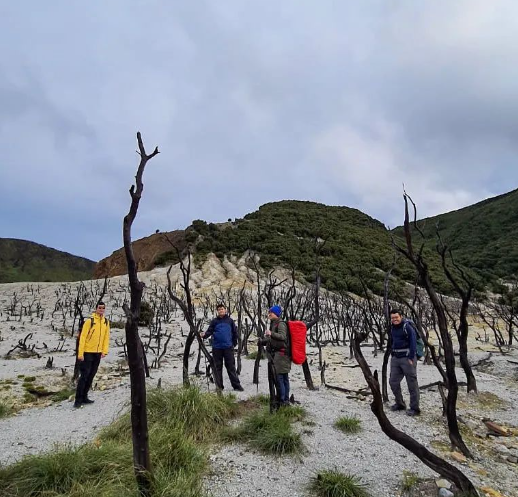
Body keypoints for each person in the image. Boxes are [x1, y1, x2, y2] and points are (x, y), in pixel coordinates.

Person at [74, 301, 110, 408]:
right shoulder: (90, 321)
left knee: (91, 375)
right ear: (96, 308)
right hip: (87, 352)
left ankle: (85, 397)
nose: (101, 310)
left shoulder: (106, 322)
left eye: (103, 308)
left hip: (97, 353)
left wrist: (104, 351)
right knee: (84, 375)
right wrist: (80, 353)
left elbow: (106, 337)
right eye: (99, 308)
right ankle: (78, 400)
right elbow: (83, 337)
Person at [201, 303, 244, 391]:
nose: (221, 310)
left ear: (225, 310)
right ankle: (219, 386)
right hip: (217, 348)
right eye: (219, 309)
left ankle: (236, 386)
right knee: (217, 368)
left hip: (228, 347)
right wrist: (204, 335)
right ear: (217, 311)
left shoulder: (230, 321)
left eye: (222, 309)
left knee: (231, 367)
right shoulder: (214, 321)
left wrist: (233, 343)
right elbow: (209, 331)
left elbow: (235, 333)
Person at [389, 309, 420, 416]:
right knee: (393, 381)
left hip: (407, 358)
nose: (394, 319)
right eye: (392, 318)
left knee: (412, 383)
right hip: (396, 358)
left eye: (396, 317)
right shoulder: (392, 328)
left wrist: (411, 357)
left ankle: (415, 408)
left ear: (401, 316)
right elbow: (392, 341)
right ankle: (400, 403)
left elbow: (413, 341)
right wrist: (392, 354)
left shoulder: (407, 327)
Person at [264, 305, 291, 406]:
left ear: (276, 313)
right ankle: (284, 400)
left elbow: (283, 337)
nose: (269, 314)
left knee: (281, 378)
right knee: (283, 378)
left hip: (282, 355)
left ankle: (283, 400)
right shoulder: (275, 323)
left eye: (271, 312)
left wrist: (271, 333)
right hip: (280, 354)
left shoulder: (280, 324)